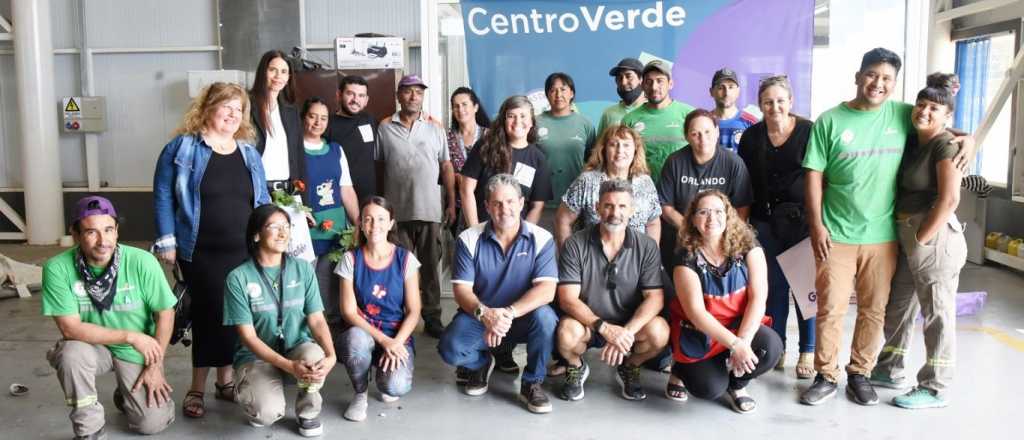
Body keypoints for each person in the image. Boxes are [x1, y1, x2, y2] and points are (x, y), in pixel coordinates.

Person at [799, 48, 974, 406]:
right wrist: (816, 225)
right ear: (858, 76)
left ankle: (860, 373)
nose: (878, 84)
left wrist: (967, 138)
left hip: (883, 237)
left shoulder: (900, 114)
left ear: (894, 85)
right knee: (831, 308)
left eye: (887, 79)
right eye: (872, 75)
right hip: (836, 234)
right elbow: (813, 176)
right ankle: (825, 374)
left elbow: (936, 123)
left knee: (874, 309)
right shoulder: (830, 120)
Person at [153, 81, 270, 418]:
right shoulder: (181, 149)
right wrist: (167, 240)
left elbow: (260, 201)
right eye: (227, 107)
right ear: (207, 108)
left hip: (242, 249)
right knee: (206, 317)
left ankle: (226, 382)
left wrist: (267, 240)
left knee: (236, 316)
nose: (234, 115)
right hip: (200, 250)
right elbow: (163, 196)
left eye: (239, 109)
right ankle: (196, 387)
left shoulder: (248, 152)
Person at [43, 196, 177, 439]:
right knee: (71, 354)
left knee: (151, 424)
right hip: (92, 347)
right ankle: (89, 430)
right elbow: (70, 329)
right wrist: (130, 335)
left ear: (117, 231)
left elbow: (165, 313)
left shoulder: (141, 262)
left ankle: (125, 396)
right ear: (75, 234)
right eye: (91, 232)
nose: (102, 241)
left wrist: (156, 365)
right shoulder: (58, 268)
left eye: (108, 230)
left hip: (135, 350)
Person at [871, 86, 967, 409]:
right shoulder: (915, 140)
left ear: (947, 117)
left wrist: (922, 238)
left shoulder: (944, 145)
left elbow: (950, 198)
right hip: (908, 235)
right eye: (921, 104)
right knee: (898, 307)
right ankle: (889, 368)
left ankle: (935, 386)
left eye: (934, 109)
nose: (924, 111)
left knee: (936, 313)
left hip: (934, 238)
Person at [438, 174, 559, 414]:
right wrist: (485, 314)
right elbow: (461, 290)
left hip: (522, 317)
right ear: (486, 206)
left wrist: (507, 314)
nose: (505, 209)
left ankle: (532, 383)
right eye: (497, 203)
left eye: (511, 202)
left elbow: (547, 290)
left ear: (522, 203)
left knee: (546, 318)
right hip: (480, 316)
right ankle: (480, 364)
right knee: (450, 349)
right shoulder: (469, 238)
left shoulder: (542, 238)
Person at [223, 204, 336, 437]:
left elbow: (316, 320)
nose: (283, 233)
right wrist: (288, 366)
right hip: (255, 357)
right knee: (266, 414)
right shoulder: (238, 277)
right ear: (256, 234)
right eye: (274, 227)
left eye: (286, 226)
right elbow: (248, 337)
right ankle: (255, 392)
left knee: (315, 356)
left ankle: (309, 412)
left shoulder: (303, 269)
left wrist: (331, 354)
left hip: (296, 347)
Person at [665, 190, 782, 413]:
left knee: (771, 348)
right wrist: (735, 345)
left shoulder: (749, 246)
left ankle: (738, 385)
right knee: (708, 389)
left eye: (719, 211)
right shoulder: (685, 256)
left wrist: (744, 341)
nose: (712, 218)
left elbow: (758, 298)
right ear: (692, 219)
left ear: (729, 215)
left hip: (739, 327)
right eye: (703, 212)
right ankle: (680, 369)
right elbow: (697, 314)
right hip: (702, 332)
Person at [556, 179, 669, 401]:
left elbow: (655, 298)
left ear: (632, 210)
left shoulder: (647, 246)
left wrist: (626, 332)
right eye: (608, 205)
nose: (614, 212)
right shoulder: (575, 244)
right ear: (598, 207)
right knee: (566, 333)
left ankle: (630, 366)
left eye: (622, 206)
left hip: (629, 326)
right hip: (588, 324)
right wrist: (604, 328)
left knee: (659, 332)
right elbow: (567, 299)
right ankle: (575, 365)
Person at [736, 75, 816, 378]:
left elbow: (821, 178)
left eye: (780, 100)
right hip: (764, 223)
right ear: (760, 104)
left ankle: (808, 350)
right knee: (772, 290)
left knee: (805, 291)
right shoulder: (751, 137)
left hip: (801, 224)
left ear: (791, 102)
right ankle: (778, 347)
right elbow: (744, 183)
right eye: (768, 102)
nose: (775, 107)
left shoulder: (809, 132)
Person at [376, 74, 456, 338]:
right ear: (399, 96)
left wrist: (451, 202)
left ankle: (432, 316)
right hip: (396, 213)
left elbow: (446, 166)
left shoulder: (435, 127)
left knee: (431, 266)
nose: (413, 97)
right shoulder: (385, 127)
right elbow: (378, 167)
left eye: (418, 92)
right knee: (399, 267)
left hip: (430, 209)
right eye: (408, 92)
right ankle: (400, 316)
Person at [337, 196, 422, 421]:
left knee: (396, 386)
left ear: (391, 223)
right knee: (355, 342)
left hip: (396, 334)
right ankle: (360, 392)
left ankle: (385, 379)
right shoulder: (350, 259)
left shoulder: (406, 259)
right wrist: (384, 341)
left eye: (381, 219)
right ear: (361, 224)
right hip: (363, 331)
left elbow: (414, 311)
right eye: (369, 219)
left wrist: (396, 341)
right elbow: (348, 312)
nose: (375, 225)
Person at [658, 109, 753, 269]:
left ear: (717, 132)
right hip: (682, 237)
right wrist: (692, 229)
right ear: (686, 136)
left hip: (722, 238)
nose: (703, 139)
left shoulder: (733, 163)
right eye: (695, 134)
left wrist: (723, 235)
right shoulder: (674, 162)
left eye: (708, 132)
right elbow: (665, 206)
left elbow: (742, 207)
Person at [300, 97, 359, 345]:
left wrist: (357, 224)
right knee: (304, 286)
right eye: (313, 116)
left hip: (335, 230)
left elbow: (346, 189)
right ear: (303, 117)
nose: (318, 122)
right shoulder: (293, 150)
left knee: (330, 285)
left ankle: (331, 340)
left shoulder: (336, 150)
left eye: (323, 118)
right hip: (304, 231)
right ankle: (305, 340)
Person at [556, 125, 662, 247]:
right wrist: (569, 259)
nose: (620, 150)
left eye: (626, 145)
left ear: (635, 150)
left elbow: (653, 223)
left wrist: (651, 259)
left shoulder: (645, 183)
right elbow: (563, 220)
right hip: (592, 260)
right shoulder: (586, 181)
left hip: (636, 260)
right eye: (613, 144)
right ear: (604, 149)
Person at [460, 95, 554, 226]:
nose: (517, 121)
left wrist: (523, 238)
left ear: (532, 122)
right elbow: (466, 189)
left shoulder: (538, 159)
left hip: (516, 237)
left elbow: (537, 206)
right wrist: (475, 231)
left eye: (523, 116)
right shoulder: (485, 147)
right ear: (503, 121)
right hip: (481, 230)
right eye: (511, 116)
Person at [622, 60, 696, 179]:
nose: (654, 87)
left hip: (681, 191)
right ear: (642, 85)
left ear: (670, 84)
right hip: (642, 191)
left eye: (660, 81)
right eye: (648, 82)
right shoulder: (630, 119)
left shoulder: (690, 114)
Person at [536, 72, 597, 205]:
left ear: (572, 93)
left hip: (576, 202)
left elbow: (593, 162)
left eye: (563, 89)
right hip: (541, 203)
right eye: (553, 90)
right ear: (547, 95)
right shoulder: (535, 123)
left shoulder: (585, 124)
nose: (558, 95)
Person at [250, 50, 304, 192]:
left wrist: (304, 202)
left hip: (287, 191)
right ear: (263, 72)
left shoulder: (291, 111)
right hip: (256, 190)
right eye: (272, 70)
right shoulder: (246, 105)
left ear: (288, 77)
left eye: (284, 71)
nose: (278, 76)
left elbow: (299, 157)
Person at [327, 75, 382, 202]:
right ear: (339, 95)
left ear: (366, 100)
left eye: (361, 96)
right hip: (338, 195)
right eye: (350, 94)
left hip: (368, 196)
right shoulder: (327, 123)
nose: (355, 99)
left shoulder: (370, 120)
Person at [710, 68, 759, 153]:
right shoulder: (704, 121)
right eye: (721, 88)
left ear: (738, 91)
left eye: (731, 87)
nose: (727, 93)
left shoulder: (751, 122)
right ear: (711, 92)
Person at [597, 58, 647, 137]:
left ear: (641, 79)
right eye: (619, 78)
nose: (623, 82)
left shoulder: (653, 111)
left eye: (628, 76)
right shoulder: (609, 113)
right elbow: (599, 147)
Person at [448, 87, 490, 175]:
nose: (460, 109)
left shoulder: (490, 136)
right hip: (456, 188)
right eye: (456, 106)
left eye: (464, 104)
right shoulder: (447, 138)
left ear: (476, 107)